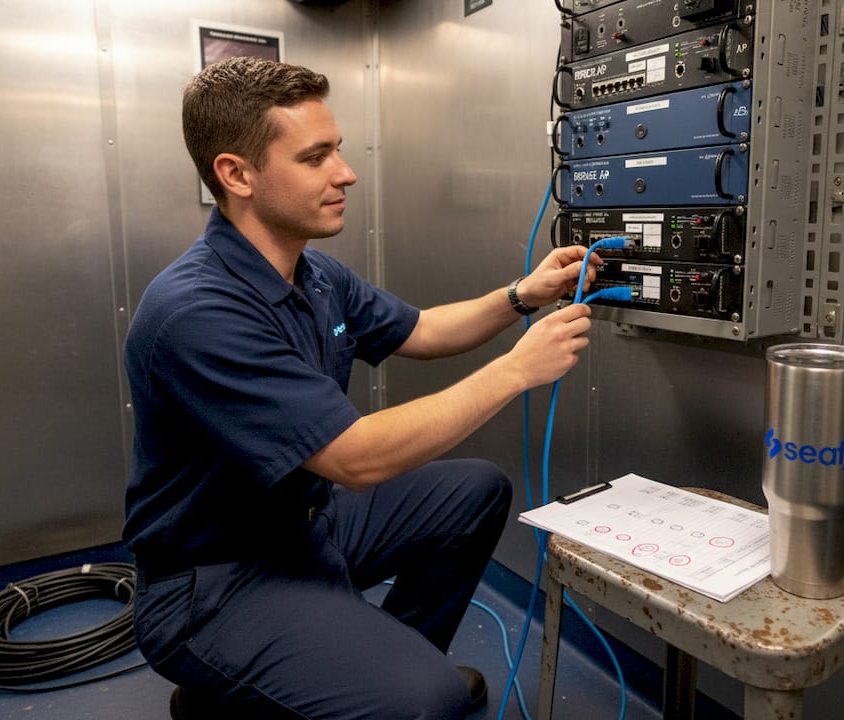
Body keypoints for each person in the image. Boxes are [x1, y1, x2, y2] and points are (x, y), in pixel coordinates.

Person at [123, 56, 597, 720]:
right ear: (237, 175)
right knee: (429, 702)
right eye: (315, 157)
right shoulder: (197, 311)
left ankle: (371, 670)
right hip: (215, 580)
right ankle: (374, 689)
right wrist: (517, 370)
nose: (345, 172)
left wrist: (523, 295)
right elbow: (357, 458)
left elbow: (423, 329)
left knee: (475, 491)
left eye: (338, 150)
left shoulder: (313, 273)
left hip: (303, 528)